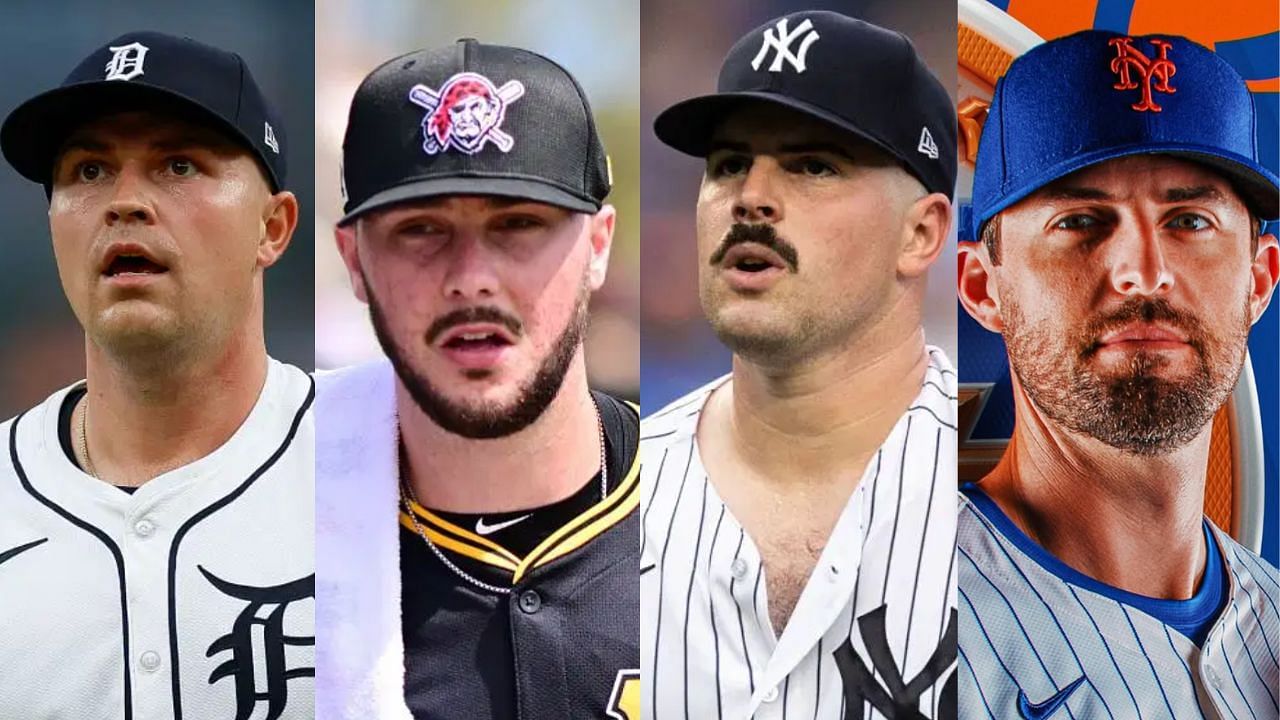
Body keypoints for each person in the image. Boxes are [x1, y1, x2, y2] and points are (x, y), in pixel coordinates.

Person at [641, 11, 959, 719]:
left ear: (922, 232)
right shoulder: (618, 493)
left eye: (814, 165)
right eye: (727, 165)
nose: (749, 196)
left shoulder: (1011, 508)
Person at [956, 30, 1279, 718]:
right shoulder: (890, 630)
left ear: (1259, 279)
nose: (1146, 271)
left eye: (1190, 219)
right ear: (985, 289)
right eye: (1080, 221)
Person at [314, 39, 639, 720]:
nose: (471, 277)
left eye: (518, 223)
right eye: (421, 229)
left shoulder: (723, 518)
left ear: (599, 245)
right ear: (354, 259)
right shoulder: (269, 542)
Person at [0, 31, 313, 719]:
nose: (125, 201)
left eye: (177, 164)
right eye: (87, 170)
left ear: (274, 227)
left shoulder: (374, 472)